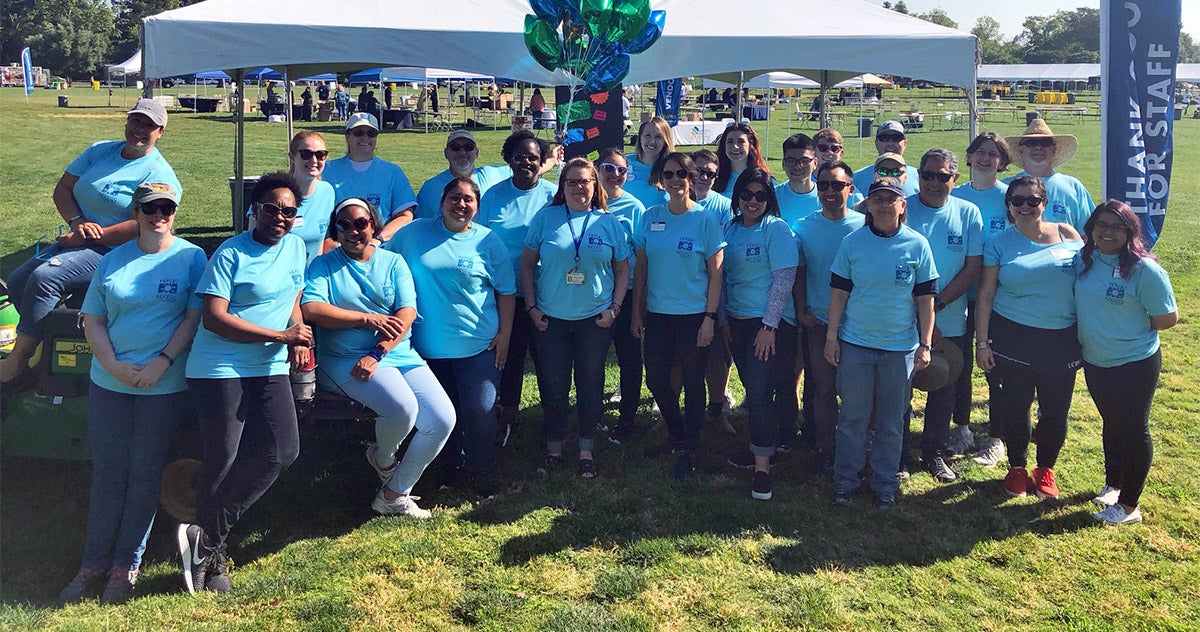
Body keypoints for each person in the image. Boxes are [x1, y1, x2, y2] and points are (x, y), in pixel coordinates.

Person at [58, 182, 205, 605]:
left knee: (143, 475)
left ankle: (126, 565)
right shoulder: (114, 259)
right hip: (110, 382)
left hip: (162, 384)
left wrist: (161, 362)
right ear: (136, 212)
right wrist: (114, 366)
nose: (159, 214)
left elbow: (194, 317)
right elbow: (94, 320)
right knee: (108, 473)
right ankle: (91, 563)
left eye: (167, 207)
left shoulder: (191, 257)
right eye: (150, 207)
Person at [179, 173, 313, 594]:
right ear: (254, 210)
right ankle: (214, 558)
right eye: (271, 208)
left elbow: (293, 297)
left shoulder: (295, 247)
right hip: (220, 367)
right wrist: (281, 337)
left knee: (282, 451)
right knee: (223, 458)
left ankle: (206, 537)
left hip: (269, 365)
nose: (279, 217)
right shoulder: (230, 253)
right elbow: (215, 318)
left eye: (288, 211)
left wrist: (298, 332)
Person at [2, 98, 181, 386]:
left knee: (45, 277)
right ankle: (45, 348)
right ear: (127, 122)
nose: (140, 129)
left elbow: (145, 223)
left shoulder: (159, 174)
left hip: (118, 250)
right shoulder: (100, 151)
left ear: (161, 132)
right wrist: (77, 224)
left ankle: (18, 361)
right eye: (136, 120)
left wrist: (86, 236)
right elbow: (63, 188)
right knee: (18, 279)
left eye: (149, 125)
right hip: (79, 238)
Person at [303, 198, 455, 516]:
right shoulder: (323, 265)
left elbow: (407, 312)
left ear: (374, 225)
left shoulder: (393, 262)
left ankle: (393, 492)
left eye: (361, 223)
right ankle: (384, 458)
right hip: (344, 358)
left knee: (442, 419)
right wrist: (366, 319)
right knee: (403, 409)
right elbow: (312, 309)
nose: (353, 231)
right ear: (336, 230)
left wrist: (378, 351)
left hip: (394, 353)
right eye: (344, 225)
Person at [389, 178, 515, 497]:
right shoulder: (413, 234)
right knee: (444, 414)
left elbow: (507, 292)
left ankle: (482, 472)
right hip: (427, 351)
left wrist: (505, 334)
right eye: (455, 197)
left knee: (480, 411)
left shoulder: (488, 242)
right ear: (442, 201)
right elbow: (382, 261)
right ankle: (449, 471)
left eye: (469, 200)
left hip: (479, 347)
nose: (461, 204)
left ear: (477, 206)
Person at [825, 177, 937, 510]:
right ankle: (846, 480)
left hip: (900, 348)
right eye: (878, 199)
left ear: (903, 206)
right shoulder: (852, 243)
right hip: (856, 344)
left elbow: (925, 299)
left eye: (892, 199)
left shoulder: (918, 245)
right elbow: (840, 293)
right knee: (852, 417)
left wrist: (926, 344)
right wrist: (832, 337)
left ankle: (885, 482)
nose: (885, 204)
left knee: (892, 419)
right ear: (868, 205)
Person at [520, 158, 630, 477]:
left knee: (590, 383)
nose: (580, 187)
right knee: (553, 385)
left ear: (596, 186)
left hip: (594, 320)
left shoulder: (608, 223)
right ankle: (554, 447)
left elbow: (622, 268)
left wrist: (615, 308)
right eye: (572, 182)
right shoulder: (546, 218)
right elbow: (527, 265)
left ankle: (586, 449)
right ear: (562, 186)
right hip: (550, 319)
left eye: (586, 181)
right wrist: (531, 307)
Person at [975, 176, 1083, 500]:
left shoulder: (1067, 233)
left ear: (1044, 203)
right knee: (1016, 406)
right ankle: (1017, 468)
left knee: (1055, 411)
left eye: (1032, 200)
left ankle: (1045, 468)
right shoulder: (998, 243)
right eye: (1017, 200)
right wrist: (982, 343)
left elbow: (1092, 277)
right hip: (1012, 336)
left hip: (1061, 338)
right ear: (1009, 205)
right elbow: (985, 295)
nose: (1025, 206)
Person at [1077, 201, 1177, 526]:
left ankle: (1130, 506)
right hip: (1095, 360)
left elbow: (1167, 318)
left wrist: (1130, 330)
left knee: (1134, 429)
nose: (1107, 232)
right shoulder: (1085, 260)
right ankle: (1113, 485)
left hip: (1134, 363)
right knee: (1112, 422)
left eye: (1116, 226)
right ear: (1091, 228)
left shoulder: (1143, 270)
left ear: (1130, 231)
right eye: (1101, 225)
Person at [631, 152, 725, 481]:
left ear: (691, 178)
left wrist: (710, 317)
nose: (676, 180)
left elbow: (716, 275)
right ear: (661, 178)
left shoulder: (705, 220)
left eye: (682, 174)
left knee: (693, 381)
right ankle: (676, 432)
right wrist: (636, 310)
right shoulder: (650, 216)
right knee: (656, 378)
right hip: (657, 314)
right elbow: (641, 268)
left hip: (693, 315)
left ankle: (691, 448)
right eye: (669, 174)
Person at [904, 149, 983, 483]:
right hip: (904, 318)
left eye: (942, 176)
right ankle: (900, 454)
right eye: (927, 175)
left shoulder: (968, 213)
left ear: (955, 179)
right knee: (900, 389)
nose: (933, 183)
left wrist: (935, 307)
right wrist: (918, 309)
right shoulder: (903, 206)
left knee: (944, 386)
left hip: (950, 317)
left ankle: (934, 452)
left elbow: (972, 267)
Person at [721, 169, 798, 501]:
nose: (753, 201)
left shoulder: (776, 230)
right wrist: (724, 321)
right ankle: (763, 445)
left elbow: (783, 280)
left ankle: (762, 470)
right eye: (746, 194)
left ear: (770, 200)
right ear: (737, 196)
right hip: (737, 321)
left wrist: (768, 327)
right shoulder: (730, 228)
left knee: (759, 389)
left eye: (760, 196)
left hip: (767, 325)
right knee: (756, 389)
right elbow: (721, 279)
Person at [477, 130, 557, 445]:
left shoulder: (554, 195)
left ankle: (553, 417)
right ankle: (507, 414)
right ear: (509, 158)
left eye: (533, 157)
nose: (526, 162)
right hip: (503, 296)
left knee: (547, 358)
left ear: (542, 162)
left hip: (543, 294)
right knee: (507, 357)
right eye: (520, 156)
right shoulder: (493, 196)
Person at [792, 161, 865, 479]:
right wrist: (801, 310)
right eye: (823, 186)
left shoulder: (866, 225)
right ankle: (824, 449)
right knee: (821, 389)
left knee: (857, 393)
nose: (830, 192)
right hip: (819, 322)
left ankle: (856, 451)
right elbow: (799, 272)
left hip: (860, 325)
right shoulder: (803, 226)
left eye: (837, 185)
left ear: (850, 188)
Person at [951, 131, 1013, 465]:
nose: (986, 158)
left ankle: (996, 437)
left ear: (1003, 162)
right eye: (980, 152)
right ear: (970, 157)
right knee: (959, 366)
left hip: (999, 298)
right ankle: (961, 428)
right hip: (960, 295)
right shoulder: (955, 195)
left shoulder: (1010, 197)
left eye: (994, 153)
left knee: (994, 366)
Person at [594, 148, 646, 444]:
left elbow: (640, 257)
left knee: (628, 358)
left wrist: (637, 304)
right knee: (594, 358)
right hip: (594, 294)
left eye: (621, 170)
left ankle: (627, 419)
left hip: (625, 295)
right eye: (608, 168)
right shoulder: (587, 202)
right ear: (597, 170)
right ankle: (594, 414)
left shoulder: (635, 207)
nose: (615, 175)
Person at [322, 112, 418, 241]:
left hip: (378, 249)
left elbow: (405, 216)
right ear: (347, 136)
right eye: (359, 132)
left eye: (371, 134)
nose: (365, 138)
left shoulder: (392, 172)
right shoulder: (326, 170)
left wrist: (377, 239)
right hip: (337, 248)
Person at [1004, 119, 1094, 234]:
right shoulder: (1005, 187)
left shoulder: (1074, 186)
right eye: (1031, 143)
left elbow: (1087, 234)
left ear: (1054, 150)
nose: (1038, 147)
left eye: (1045, 142)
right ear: (1021, 150)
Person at [414, 130, 511, 220]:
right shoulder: (430, 188)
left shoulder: (495, 174)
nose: (462, 152)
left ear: (476, 153)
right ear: (446, 153)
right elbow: (422, 225)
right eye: (455, 147)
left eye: (468, 147)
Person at [851, 121, 919, 197]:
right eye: (884, 138)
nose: (890, 143)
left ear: (905, 143)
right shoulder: (856, 178)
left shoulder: (920, 177)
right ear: (876, 143)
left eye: (896, 138)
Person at [624, 116, 674, 210]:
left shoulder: (672, 168)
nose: (652, 141)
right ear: (640, 138)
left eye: (658, 137)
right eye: (647, 135)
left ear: (665, 141)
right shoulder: (624, 163)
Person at [713, 122, 771, 196]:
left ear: (751, 145)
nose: (735, 147)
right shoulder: (712, 176)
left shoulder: (763, 179)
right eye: (730, 142)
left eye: (741, 142)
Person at [775, 133, 820, 225]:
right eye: (791, 161)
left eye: (804, 161)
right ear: (783, 164)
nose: (798, 167)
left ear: (815, 163)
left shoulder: (826, 197)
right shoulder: (771, 197)